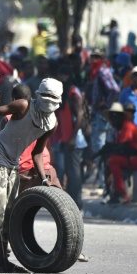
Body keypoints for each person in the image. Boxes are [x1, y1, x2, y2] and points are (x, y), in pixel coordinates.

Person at [0, 78, 63, 273]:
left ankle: (3, 257)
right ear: (38, 95)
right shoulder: (23, 105)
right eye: (45, 97)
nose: (48, 102)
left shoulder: (52, 122)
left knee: (11, 210)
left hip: (13, 161)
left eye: (52, 98)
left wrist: (44, 180)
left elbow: (37, 153)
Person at [98, 103, 137, 204]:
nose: (113, 121)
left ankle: (121, 194)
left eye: (115, 117)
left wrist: (108, 150)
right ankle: (113, 191)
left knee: (113, 161)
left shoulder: (128, 127)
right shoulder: (122, 129)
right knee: (112, 160)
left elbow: (121, 146)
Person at [50, 64, 87, 209]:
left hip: (74, 139)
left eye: (63, 75)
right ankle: (69, 201)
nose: (61, 78)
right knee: (62, 169)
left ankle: (77, 203)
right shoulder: (62, 92)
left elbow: (80, 116)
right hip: (62, 138)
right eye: (60, 75)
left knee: (74, 172)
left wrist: (72, 137)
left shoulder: (73, 92)